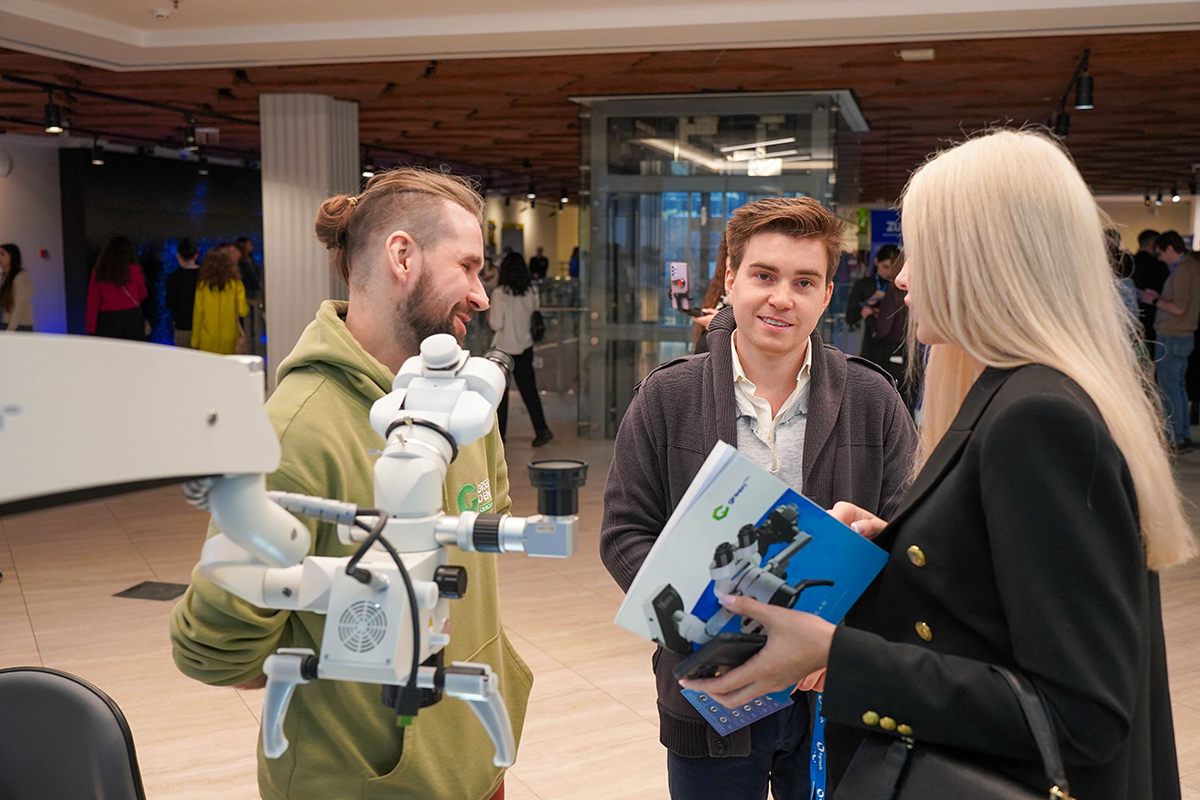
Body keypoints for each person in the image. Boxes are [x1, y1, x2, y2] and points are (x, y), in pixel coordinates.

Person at [683, 130, 1194, 799]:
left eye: (921, 252)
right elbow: (998, 600)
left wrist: (837, 655)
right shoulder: (1019, 395)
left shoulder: (1038, 417)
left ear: (982, 260)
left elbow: (1081, 715)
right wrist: (895, 545)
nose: (902, 277)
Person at [170, 167, 531, 800]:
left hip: (475, 763)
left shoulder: (466, 404)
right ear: (402, 256)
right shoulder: (295, 430)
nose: (481, 295)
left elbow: (480, 546)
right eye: (468, 267)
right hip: (370, 782)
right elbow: (217, 652)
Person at [600, 196, 917, 800]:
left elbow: (907, 543)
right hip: (710, 689)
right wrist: (715, 634)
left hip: (832, 692)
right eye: (764, 276)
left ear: (826, 295)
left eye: (804, 282)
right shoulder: (668, 397)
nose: (782, 298)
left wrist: (843, 645)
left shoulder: (873, 400)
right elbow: (624, 534)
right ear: (730, 280)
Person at [1140, 230, 1200, 453]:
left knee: (1169, 389)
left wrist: (1155, 300)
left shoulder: (1183, 271)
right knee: (1178, 388)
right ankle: (1181, 436)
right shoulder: (1191, 267)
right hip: (1181, 335)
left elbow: (1179, 308)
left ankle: (1174, 439)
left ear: (1170, 249)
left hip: (1173, 335)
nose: (1160, 258)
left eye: (1161, 253)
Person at [489, 251, 554, 447]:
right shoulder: (531, 292)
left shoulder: (499, 294)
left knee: (501, 394)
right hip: (525, 347)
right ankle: (542, 430)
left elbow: (496, 324)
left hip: (503, 349)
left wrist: (489, 316)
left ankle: (500, 437)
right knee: (529, 392)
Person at [844, 244, 907, 383]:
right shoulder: (864, 285)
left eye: (892, 268)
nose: (889, 272)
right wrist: (869, 303)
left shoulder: (901, 287)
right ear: (876, 262)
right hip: (871, 347)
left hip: (896, 348)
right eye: (885, 267)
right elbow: (850, 317)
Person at [86, 236, 148, 340]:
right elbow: (143, 294)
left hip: (108, 319)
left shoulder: (98, 273)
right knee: (133, 349)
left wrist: (91, 329)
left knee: (110, 350)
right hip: (132, 317)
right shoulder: (134, 270)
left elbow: (93, 302)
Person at [190, 248, 248, 354]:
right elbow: (242, 311)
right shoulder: (236, 284)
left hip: (207, 338)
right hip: (230, 338)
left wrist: (195, 342)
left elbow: (198, 316)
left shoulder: (202, 286)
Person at [1132, 228, 1169, 344]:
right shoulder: (1160, 265)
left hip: (1132, 316)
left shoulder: (1129, 263)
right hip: (1155, 315)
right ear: (1153, 244)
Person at [166, 237, 200, 347]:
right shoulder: (204, 276)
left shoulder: (173, 277)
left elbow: (170, 303)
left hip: (182, 325)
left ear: (178, 255)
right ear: (196, 256)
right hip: (203, 326)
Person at [0, 243, 34, 332]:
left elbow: (20, 305)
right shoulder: (2, 276)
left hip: (19, 325)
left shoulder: (21, 277)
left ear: (12, 256)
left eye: (2, 254)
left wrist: (11, 329)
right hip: (4, 322)